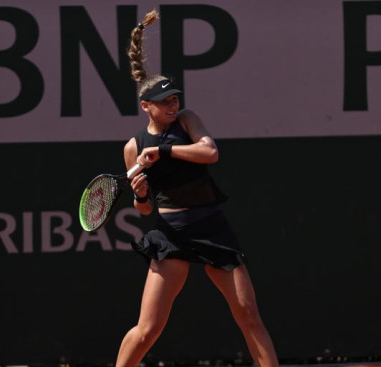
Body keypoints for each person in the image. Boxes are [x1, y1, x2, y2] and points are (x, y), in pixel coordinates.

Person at [114, 9, 280, 367]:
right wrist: (141, 194)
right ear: (146, 107)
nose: (173, 105)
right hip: (171, 234)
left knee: (248, 316)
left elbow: (210, 152)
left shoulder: (187, 120)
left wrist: (165, 150)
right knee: (148, 329)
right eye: (165, 102)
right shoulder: (133, 147)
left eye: (174, 98)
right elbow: (143, 210)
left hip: (212, 229)